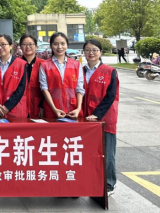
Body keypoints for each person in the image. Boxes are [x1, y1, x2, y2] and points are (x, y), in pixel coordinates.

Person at [83, 39, 120, 196]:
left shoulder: (110, 71)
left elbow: (111, 96)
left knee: (107, 152)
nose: (91, 53)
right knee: (88, 152)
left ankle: (109, 184)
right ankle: (91, 181)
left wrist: (97, 114)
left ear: (100, 52)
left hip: (105, 117)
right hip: (85, 117)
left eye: (94, 50)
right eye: (88, 50)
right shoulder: (81, 71)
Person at [39, 32, 85, 119]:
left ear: (67, 45)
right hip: (52, 110)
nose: (59, 47)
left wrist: (78, 108)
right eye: (56, 44)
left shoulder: (76, 65)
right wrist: (54, 109)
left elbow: (79, 88)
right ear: (51, 46)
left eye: (63, 44)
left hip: (73, 110)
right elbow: (44, 89)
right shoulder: (44, 65)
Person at [0, 35, 28, 120]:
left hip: (14, 109)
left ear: (11, 46)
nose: (0, 47)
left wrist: (7, 106)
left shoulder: (21, 64)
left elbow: (21, 88)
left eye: (3, 44)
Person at [19, 34, 45, 118]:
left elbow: (48, 88)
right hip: (19, 106)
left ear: (36, 46)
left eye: (31, 44)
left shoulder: (43, 64)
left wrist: (42, 105)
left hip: (38, 105)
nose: (27, 47)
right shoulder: (15, 63)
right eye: (24, 44)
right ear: (20, 47)